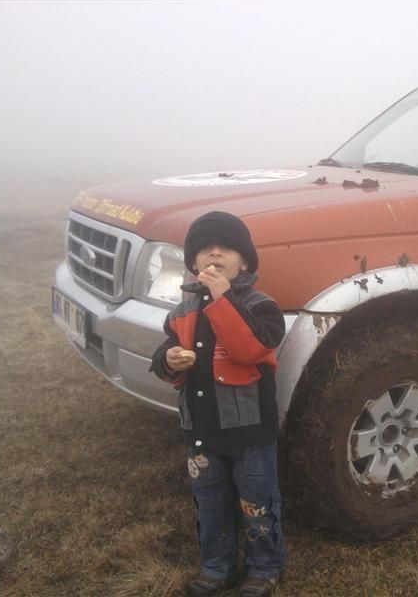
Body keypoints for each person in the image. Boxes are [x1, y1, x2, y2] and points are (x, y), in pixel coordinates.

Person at [150, 211, 286, 597]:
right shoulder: (181, 312)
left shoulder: (261, 306)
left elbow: (251, 349)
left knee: (257, 503)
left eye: (226, 247)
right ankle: (216, 566)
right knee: (210, 503)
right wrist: (169, 359)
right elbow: (163, 357)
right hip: (201, 431)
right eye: (205, 248)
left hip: (250, 432)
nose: (214, 253)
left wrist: (224, 298)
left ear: (244, 262)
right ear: (193, 263)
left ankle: (264, 568)